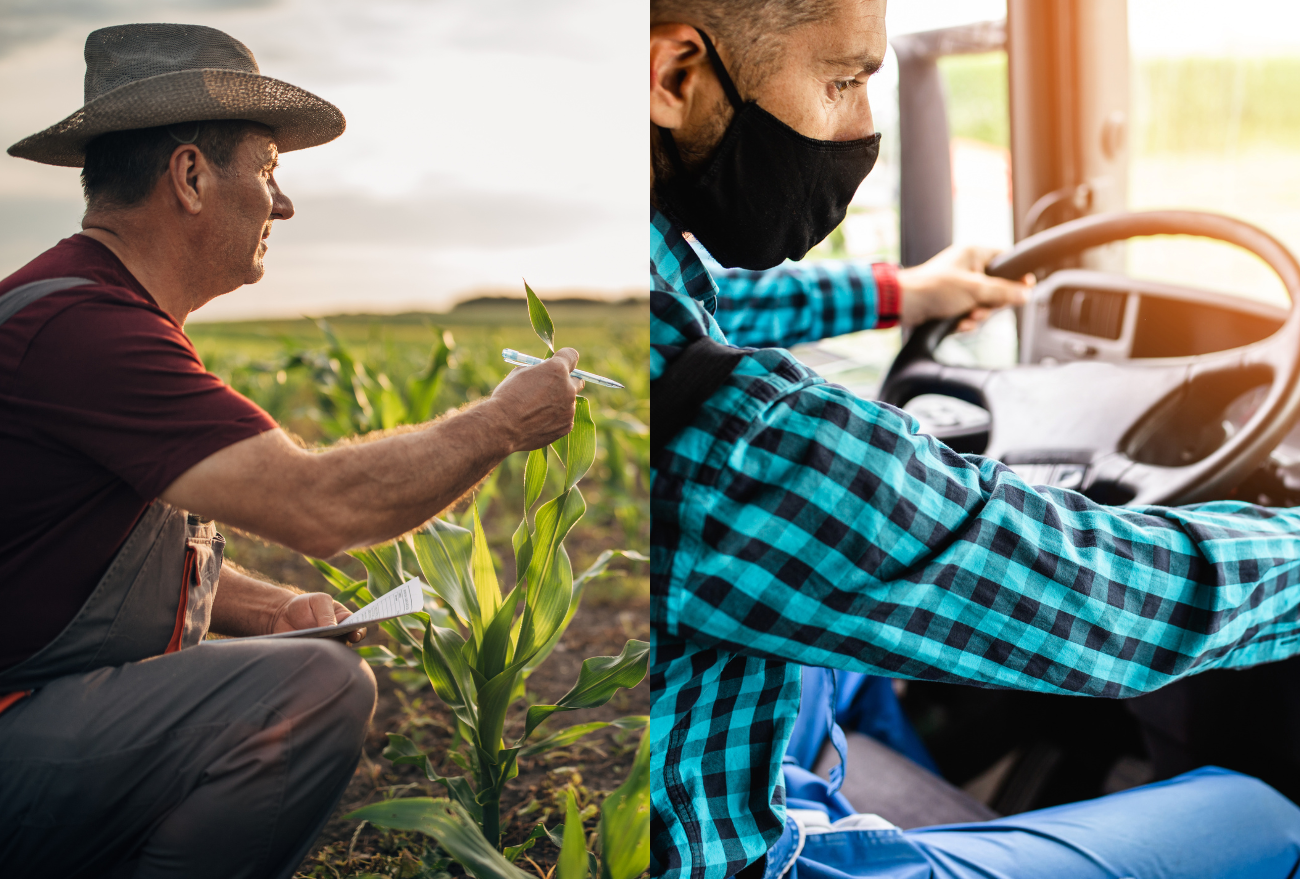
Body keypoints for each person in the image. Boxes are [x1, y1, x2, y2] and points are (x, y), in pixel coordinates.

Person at [649, 2, 1300, 878]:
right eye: (842, 82)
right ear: (676, 76)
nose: (862, 127)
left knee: (846, 647)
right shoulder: (722, 436)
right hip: (719, 858)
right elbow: (1106, 604)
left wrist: (899, 293)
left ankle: (880, 800)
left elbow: (714, 308)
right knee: (1260, 818)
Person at [0, 23, 582, 879]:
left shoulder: (88, 309)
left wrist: (272, 610)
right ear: (191, 176)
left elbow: (86, 553)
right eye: (268, 169)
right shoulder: (87, 333)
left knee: (296, 656)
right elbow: (323, 507)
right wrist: (501, 423)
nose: (284, 202)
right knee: (314, 692)